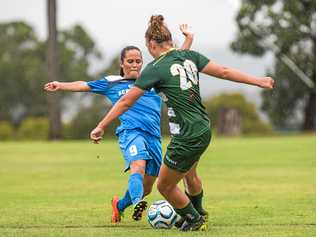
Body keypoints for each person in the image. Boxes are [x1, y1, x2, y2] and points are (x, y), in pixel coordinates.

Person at [90, 15, 274, 231]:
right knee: (190, 174)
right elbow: (224, 72)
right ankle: (198, 214)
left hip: (186, 134)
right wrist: (258, 80)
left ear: (151, 44)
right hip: (203, 128)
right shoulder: (189, 56)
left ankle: (195, 219)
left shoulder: (155, 68)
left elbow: (125, 102)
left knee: (164, 185)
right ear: (171, 42)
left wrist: (101, 125)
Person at [44, 24, 194, 224]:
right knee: (137, 166)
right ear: (122, 63)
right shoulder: (112, 82)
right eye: (130, 61)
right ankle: (139, 202)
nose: (134, 64)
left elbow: (176, 61)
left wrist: (189, 39)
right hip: (131, 133)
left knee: (148, 186)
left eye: (138, 61)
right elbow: (84, 85)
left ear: (142, 63)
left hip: (154, 137)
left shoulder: (152, 77)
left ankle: (120, 205)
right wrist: (60, 85)